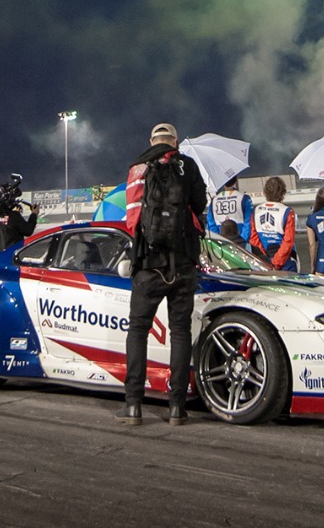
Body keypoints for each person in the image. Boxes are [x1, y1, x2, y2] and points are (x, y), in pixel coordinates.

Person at [118, 122, 207, 426]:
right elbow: (200, 205)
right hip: (183, 263)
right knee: (180, 331)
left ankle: (133, 405)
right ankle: (177, 408)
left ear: (151, 141)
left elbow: (132, 219)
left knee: (138, 330)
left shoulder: (137, 169)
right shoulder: (188, 166)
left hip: (148, 263)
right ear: (176, 142)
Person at [249, 176, 298, 272]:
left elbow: (253, 238)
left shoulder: (256, 210)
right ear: (283, 192)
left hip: (264, 261)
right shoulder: (287, 212)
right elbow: (288, 241)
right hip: (285, 263)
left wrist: (266, 258)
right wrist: (276, 262)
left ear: (265, 192)